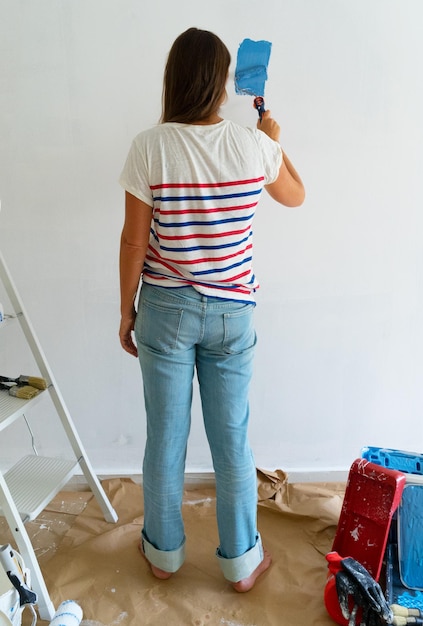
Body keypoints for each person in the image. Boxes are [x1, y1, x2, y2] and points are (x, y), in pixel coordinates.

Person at [118, 27, 305, 592]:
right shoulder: (253, 147)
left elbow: (133, 240)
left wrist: (125, 311)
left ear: (174, 78)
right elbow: (295, 193)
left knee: (165, 438)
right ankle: (242, 565)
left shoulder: (149, 145)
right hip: (231, 312)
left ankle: (164, 556)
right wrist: (273, 138)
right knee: (232, 441)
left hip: (165, 311)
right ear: (224, 83)